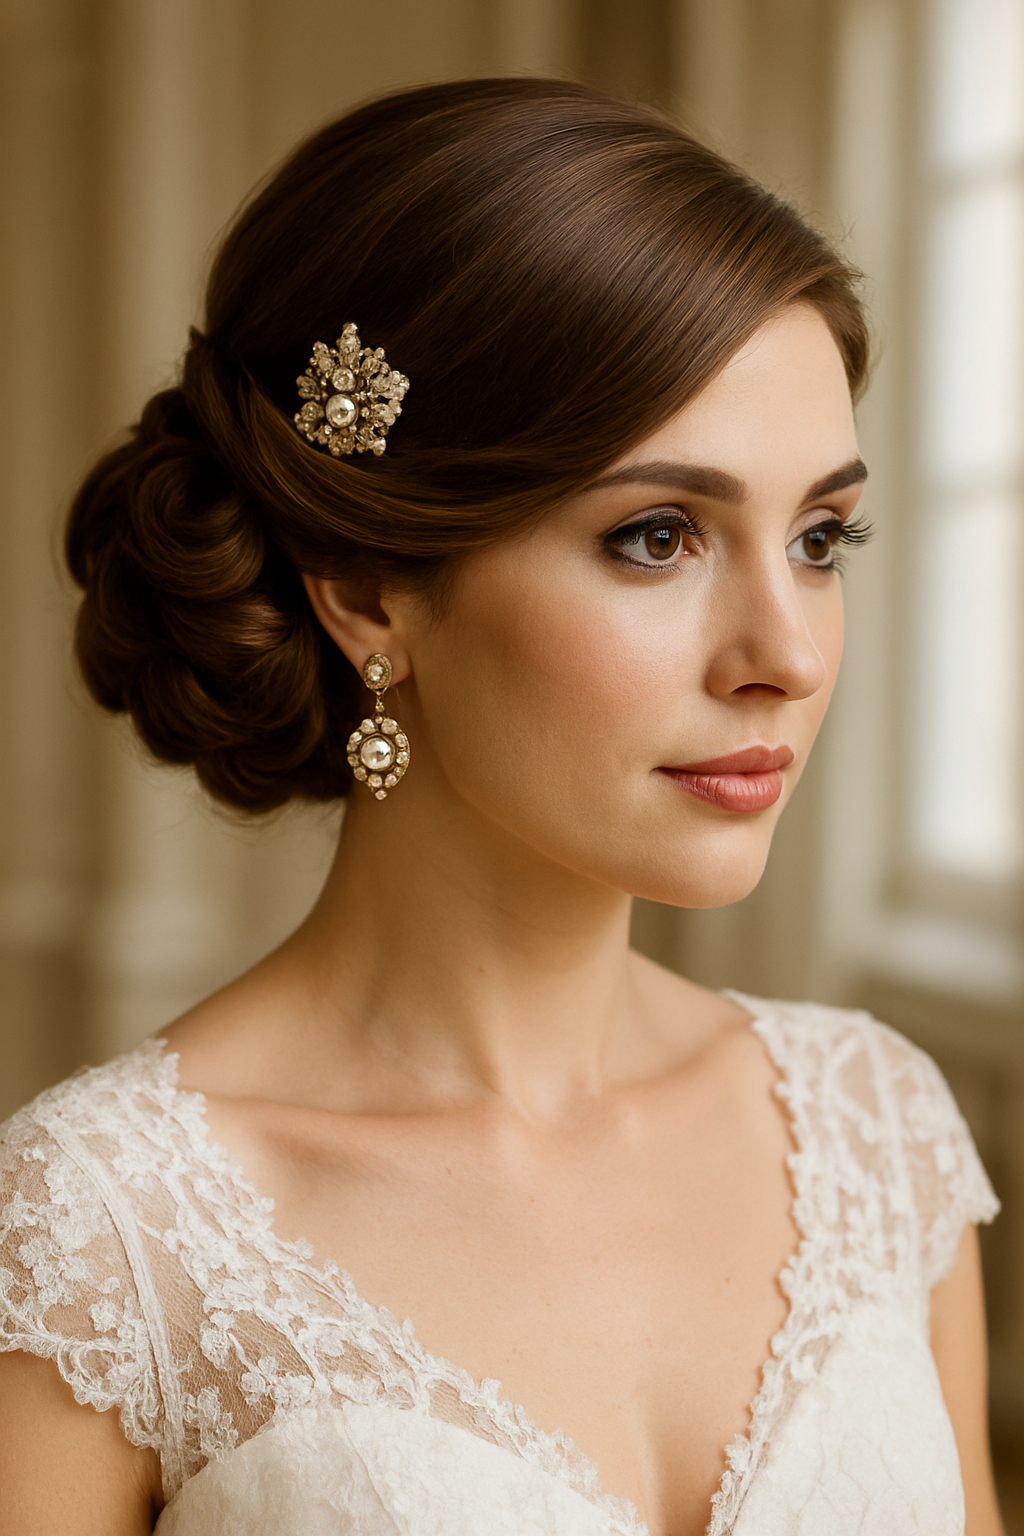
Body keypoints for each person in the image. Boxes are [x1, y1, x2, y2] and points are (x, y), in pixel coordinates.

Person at [0, 78, 1004, 1536]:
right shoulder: (98, 1242)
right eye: (658, 536)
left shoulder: (875, 1130)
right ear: (362, 585)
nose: (786, 656)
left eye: (819, 536)